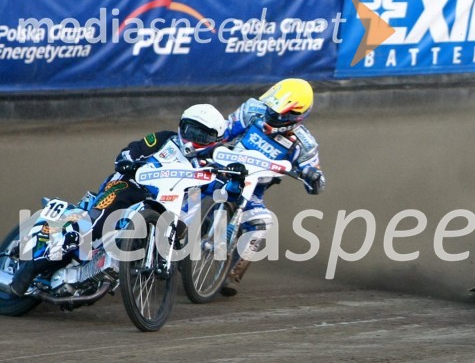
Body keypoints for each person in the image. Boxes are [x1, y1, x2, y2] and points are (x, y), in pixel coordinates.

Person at [9, 104, 228, 297]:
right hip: (128, 186)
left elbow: (220, 192)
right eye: (191, 130)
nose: (193, 139)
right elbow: (134, 148)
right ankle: (29, 270)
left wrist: (235, 178)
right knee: (90, 228)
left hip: (168, 206)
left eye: (202, 136)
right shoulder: (164, 139)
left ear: (215, 139)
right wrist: (127, 159)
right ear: (182, 125)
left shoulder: (213, 163)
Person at [220, 77, 326, 296]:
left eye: (282, 115)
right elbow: (222, 133)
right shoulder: (252, 110)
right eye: (273, 110)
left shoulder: (304, 144)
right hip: (218, 172)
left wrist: (313, 176)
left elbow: (317, 184)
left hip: (251, 191)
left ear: (298, 116)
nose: (274, 117)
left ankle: (231, 276)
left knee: (262, 223)